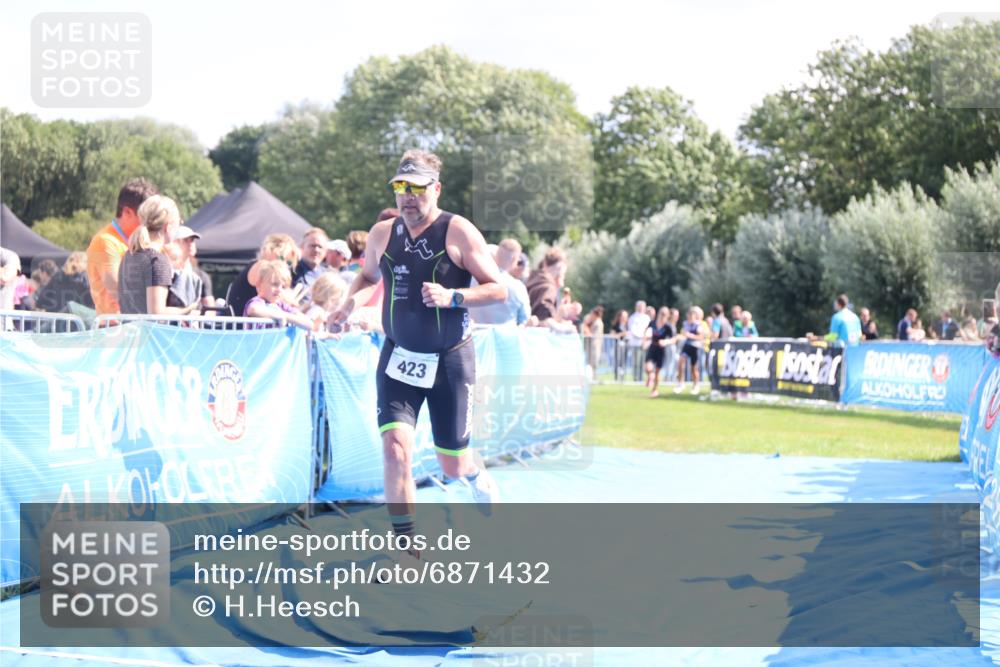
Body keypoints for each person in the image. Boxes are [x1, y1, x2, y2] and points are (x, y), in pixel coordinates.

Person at [329, 149, 506, 555]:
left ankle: (473, 474)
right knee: (395, 450)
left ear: (436, 189)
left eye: (417, 188)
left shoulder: (457, 231)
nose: (408, 196)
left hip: (450, 360)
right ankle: (407, 548)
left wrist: (453, 296)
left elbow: (497, 288)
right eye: (400, 188)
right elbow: (367, 278)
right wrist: (346, 306)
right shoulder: (382, 234)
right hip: (399, 357)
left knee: (452, 465)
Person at [86, 178, 159, 315]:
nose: (152, 222)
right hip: (116, 326)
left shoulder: (145, 240)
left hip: (139, 323)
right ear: (127, 212)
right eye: (146, 216)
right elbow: (118, 291)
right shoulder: (105, 241)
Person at [118, 195, 200, 316]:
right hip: (148, 328)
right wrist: (188, 309)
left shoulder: (129, 255)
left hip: (129, 327)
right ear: (168, 227)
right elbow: (157, 313)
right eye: (179, 223)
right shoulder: (157, 260)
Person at [227, 234, 301, 318]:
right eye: (281, 258)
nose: (283, 264)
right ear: (270, 251)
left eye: (289, 263)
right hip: (240, 322)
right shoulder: (261, 266)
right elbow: (284, 297)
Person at [244, 260, 321, 331]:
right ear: (259, 285)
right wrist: (278, 315)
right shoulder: (258, 301)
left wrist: (285, 316)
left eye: (283, 287)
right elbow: (253, 309)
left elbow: (309, 324)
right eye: (274, 284)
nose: (279, 290)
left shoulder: (282, 306)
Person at [468, 239, 530, 326]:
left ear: (496, 255)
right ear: (514, 259)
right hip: (505, 334)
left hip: (474, 333)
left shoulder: (472, 280)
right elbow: (524, 320)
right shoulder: (518, 287)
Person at [525, 248, 575, 332]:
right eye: (562, 275)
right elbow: (545, 321)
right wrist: (563, 320)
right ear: (559, 269)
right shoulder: (548, 287)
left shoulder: (532, 280)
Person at [644, 307, 677, 398]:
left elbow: (674, 339)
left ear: (667, 316)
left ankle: (654, 390)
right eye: (661, 313)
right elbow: (646, 331)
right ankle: (651, 376)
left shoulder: (668, 327)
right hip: (652, 347)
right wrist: (645, 340)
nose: (662, 316)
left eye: (664, 314)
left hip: (661, 350)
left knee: (658, 371)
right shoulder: (653, 323)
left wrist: (666, 342)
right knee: (648, 367)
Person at [676, 306, 706, 393]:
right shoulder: (686, 324)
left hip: (695, 347)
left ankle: (696, 385)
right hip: (687, 346)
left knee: (694, 368)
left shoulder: (698, 325)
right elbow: (684, 334)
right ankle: (681, 383)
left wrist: (691, 336)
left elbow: (701, 337)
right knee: (681, 362)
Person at [626, 301, 651, 381]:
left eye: (642, 307)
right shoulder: (633, 318)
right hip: (636, 343)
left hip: (645, 343)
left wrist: (646, 339)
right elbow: (632, 330)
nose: (641, 308)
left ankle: (641, 377)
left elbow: (649, 330)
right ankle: (636, 378)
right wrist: (642, 337)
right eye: (639, 306)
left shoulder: (647, 318)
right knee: (636, 362)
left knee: (643, 362)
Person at [581, 305, 605, 375]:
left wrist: (586, 327)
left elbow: (592, 334)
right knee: (589, 362)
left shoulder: (598, 323)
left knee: (594, 362)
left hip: (594, 345)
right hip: (590, 345)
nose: (590, 315)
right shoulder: (592, 322)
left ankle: (593, 376)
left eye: (592, 314)